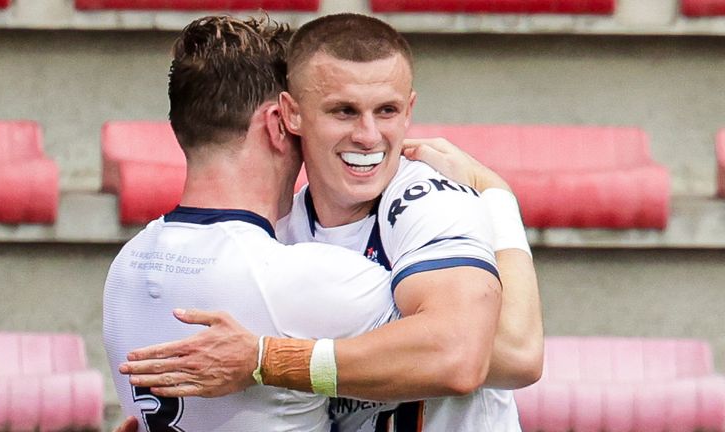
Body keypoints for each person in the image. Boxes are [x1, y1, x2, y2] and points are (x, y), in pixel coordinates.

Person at [119, 13, 542, 432]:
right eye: (344, 111)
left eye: (387, 110)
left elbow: (494, 354)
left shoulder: (427, 198)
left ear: (409, 110)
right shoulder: (281, 235)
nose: (369, 135)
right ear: (290, 115)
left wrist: (495, 195)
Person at [104, 15, 400, 431]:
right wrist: (491, 197)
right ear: (279, 123)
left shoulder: (125, 268)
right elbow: (478, 354)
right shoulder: (295, 276)